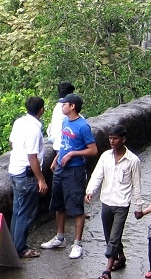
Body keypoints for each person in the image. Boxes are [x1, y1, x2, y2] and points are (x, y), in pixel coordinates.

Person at [40, 94, 99, 259]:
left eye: (64, 104)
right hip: (61, 168)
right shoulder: (65, 122)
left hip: (75, 170)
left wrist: (73, 154)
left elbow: (93, 150)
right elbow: (65, 144)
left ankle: (77, 243)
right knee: (59, 204)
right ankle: (60, 237)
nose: (61, 106)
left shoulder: (83, 126)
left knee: (75, 207)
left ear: (72, 106)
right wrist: (57, 158)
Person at [85, 127, 143, 279]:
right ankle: (121, 257)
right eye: (110, 138)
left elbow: (136, 185)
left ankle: (107, 272)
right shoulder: (105, 156)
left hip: (122, 203)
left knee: (114, 237)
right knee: (110, 235)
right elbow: (97, 174)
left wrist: (139, 206)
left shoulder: (133, 161)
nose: (112, 141)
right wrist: (90, 190)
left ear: (123, 139)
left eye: (115, 138)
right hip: (106, 201)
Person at [7, 96, 48, 258]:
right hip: (26, 174)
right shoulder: (34, 129)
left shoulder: (19, 122)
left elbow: (11, 142)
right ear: (41, 110)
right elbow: (33, 157)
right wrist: (41, 179)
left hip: (15, 170)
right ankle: (20, 248)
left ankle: (13, 245)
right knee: (26, 212)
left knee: (18, 210)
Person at [40, 81, 74, 214]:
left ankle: (65, 208)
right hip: (62, 146)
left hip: (57, 144)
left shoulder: (57, 107)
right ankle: (68, 209)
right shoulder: (64, 109)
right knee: (67, 179)